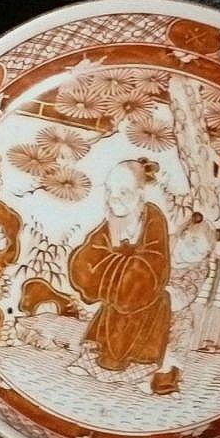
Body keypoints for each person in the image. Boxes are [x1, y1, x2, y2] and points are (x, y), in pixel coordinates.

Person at [68, 159, 172, 375]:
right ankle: (100, 359)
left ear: (140, 194)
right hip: (117, 296)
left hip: (146, 300)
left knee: (130, 313)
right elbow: (86, 259)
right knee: (112, 318)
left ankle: (131, 364)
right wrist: (118, 266)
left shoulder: (153, 218)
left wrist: (117, 266)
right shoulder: (113, 219)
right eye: (109, 190)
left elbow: (154, 264)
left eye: (123, 192)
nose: (114, 198)